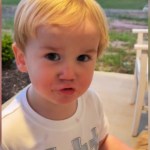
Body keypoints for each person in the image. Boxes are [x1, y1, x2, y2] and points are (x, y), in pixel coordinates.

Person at [2, 0, 133, 149]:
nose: (69, 75)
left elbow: (102, 141)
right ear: (22, 58)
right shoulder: (8, 133)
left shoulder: (91, 101)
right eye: (52, 56)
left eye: (82, 58)